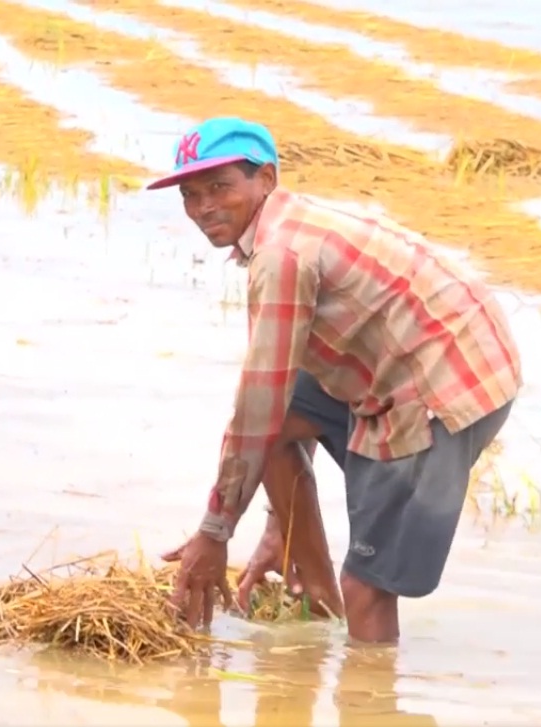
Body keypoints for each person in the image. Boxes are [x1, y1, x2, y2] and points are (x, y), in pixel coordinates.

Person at [146, 117, 521, 644]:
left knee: (367, 587)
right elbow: (273, 402)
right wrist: (281, 523)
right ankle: (314, 589)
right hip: (414, 352)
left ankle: (369, 699)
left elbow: (257, 407)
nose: (203, 207)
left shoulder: (281, 255)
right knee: (279, 423)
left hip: (448, 380)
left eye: (219, 187)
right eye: (190, 195)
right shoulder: (281, 230)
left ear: (266, 179)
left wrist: (214, 531)